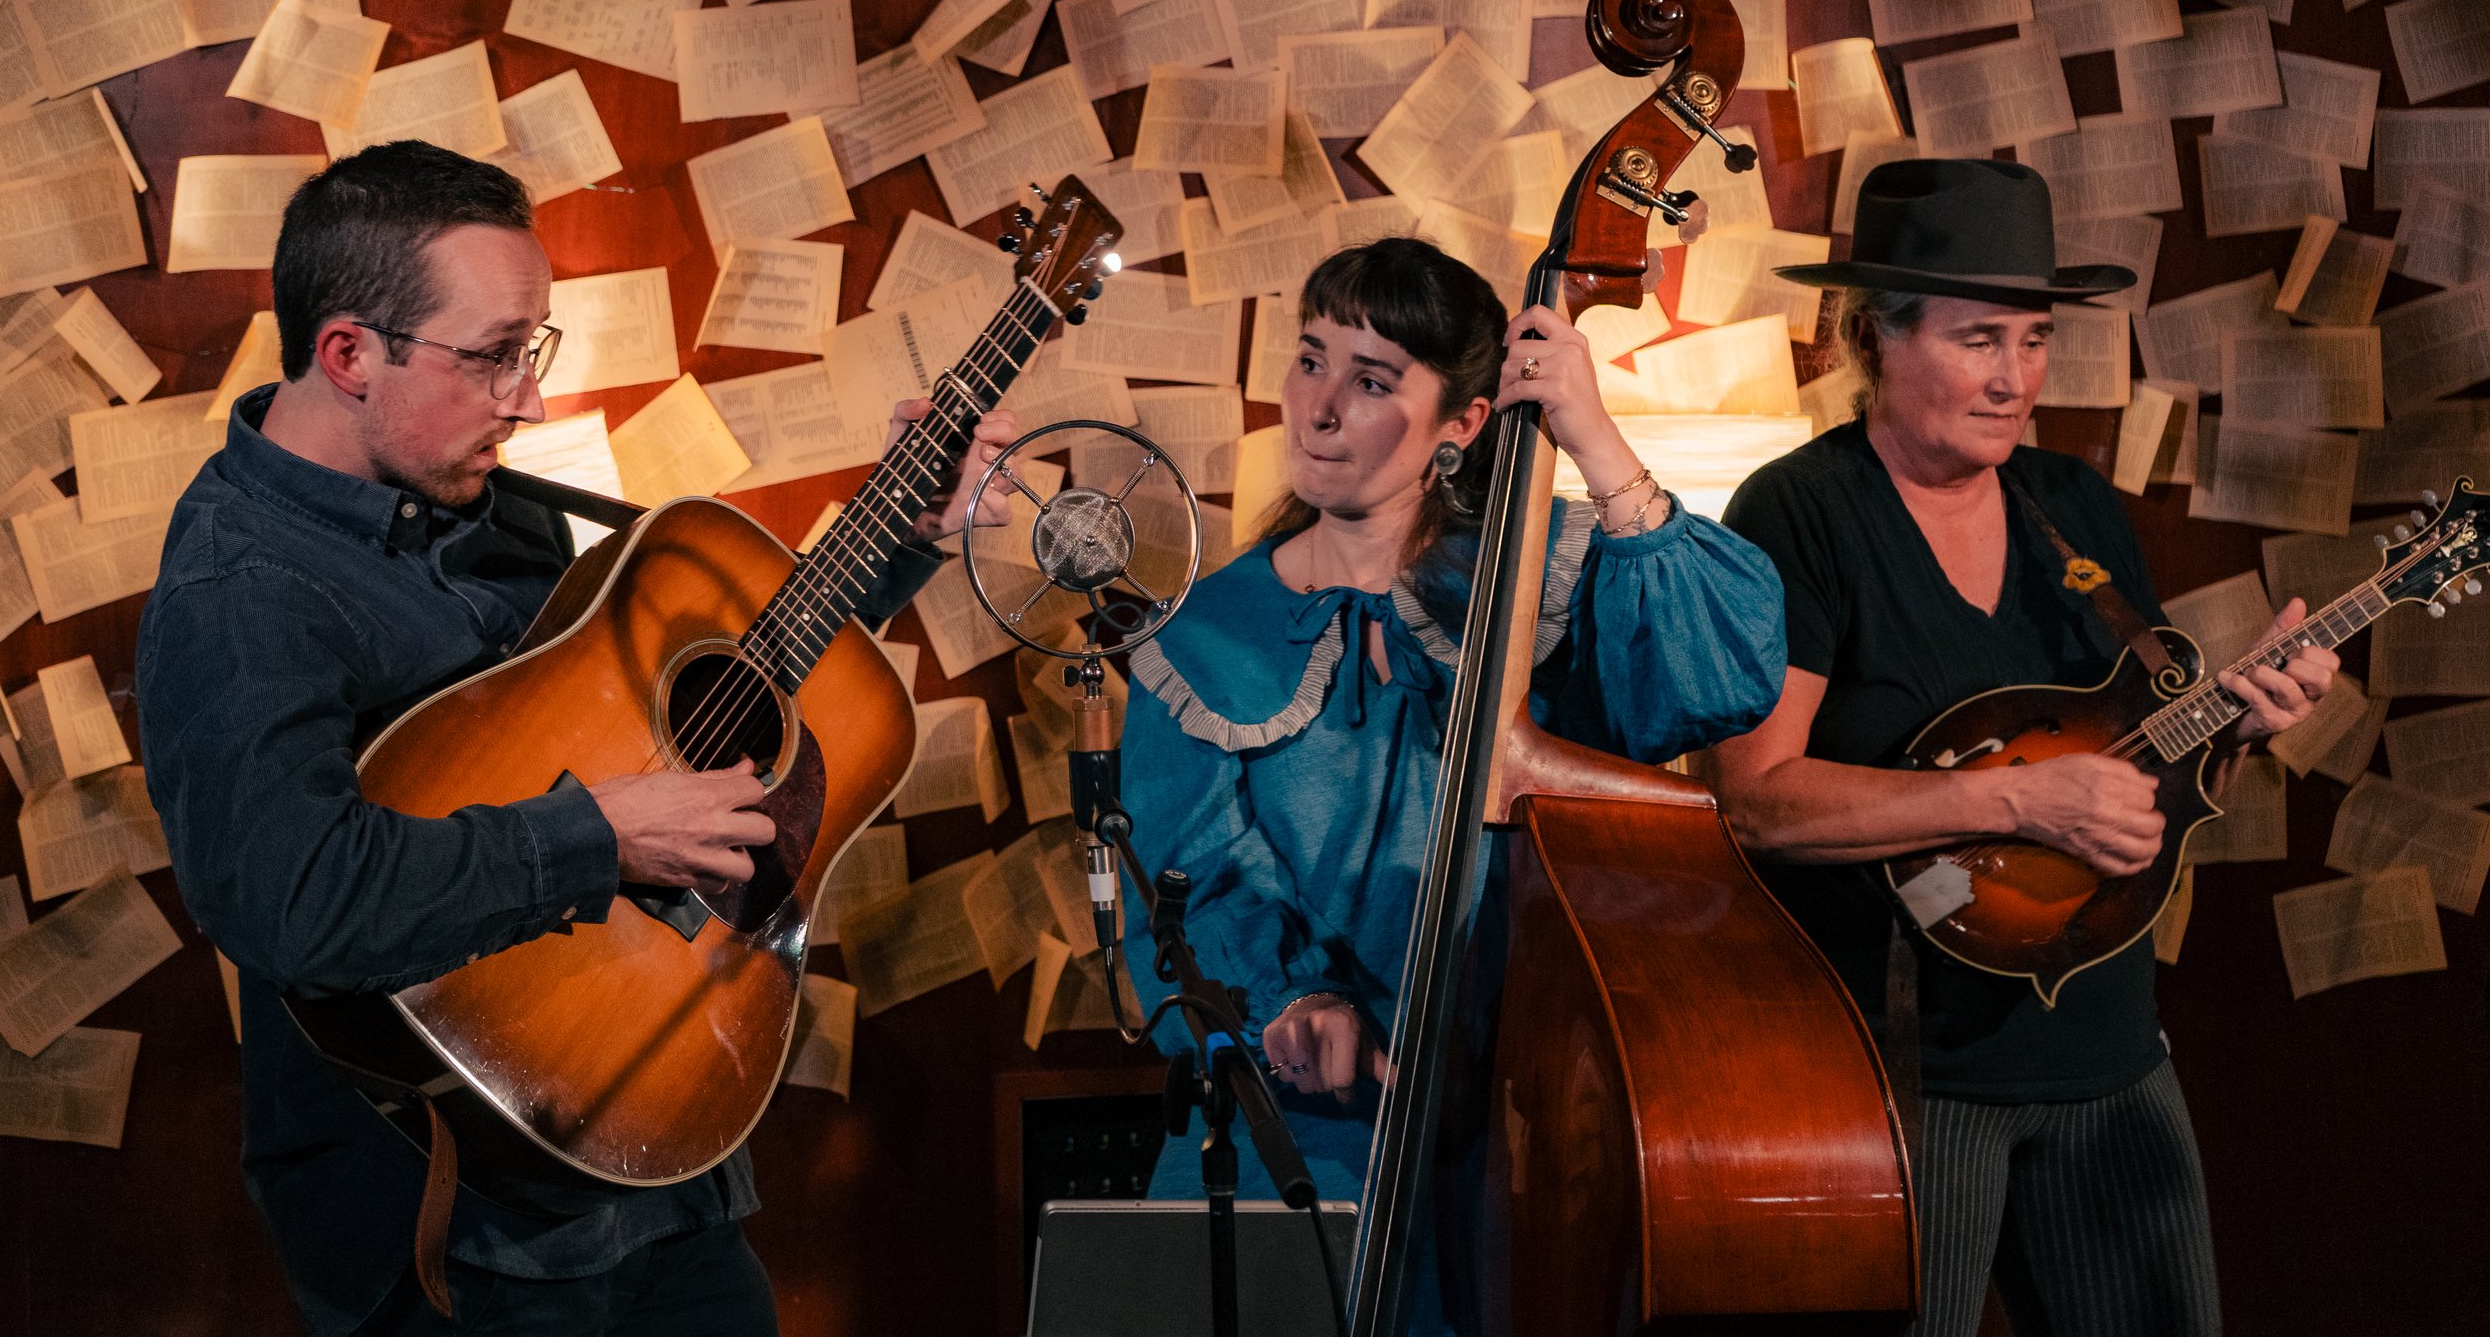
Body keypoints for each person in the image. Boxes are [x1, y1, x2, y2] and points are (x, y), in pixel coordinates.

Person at [137, 141, 1021, 1337]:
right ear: (348, 352)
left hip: (661, 1151)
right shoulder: (240, 587)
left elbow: (676, 714)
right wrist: (595, 838)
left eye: (532, 351)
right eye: (496, 355)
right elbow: (291, 899)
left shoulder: (485, 500)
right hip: (454, 1215)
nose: (533, 398)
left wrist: (904, 538)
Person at [1712, 158, 2337, 1337]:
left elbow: (2137, 770)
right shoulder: (1799, 511)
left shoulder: (2075, 505)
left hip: (2106, 1050)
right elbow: (1761, 802)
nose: (2015, 380)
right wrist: (2015, 804)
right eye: (1978, 339)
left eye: (2036, 340)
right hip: (1909, 1074)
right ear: (1872, 337)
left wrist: (2244, 727)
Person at [1118, 236, 1787, 1332]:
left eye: (1373, 380)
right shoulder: (1206, 634)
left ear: (1461, 425)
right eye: (1310, 358)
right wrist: (1290, 1001)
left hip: (1540, 1120)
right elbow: (1188, 892)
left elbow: (1720, 677)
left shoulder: (1543, 576)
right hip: (1309, 1131)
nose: (1319, 406)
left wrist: (1590, 432)